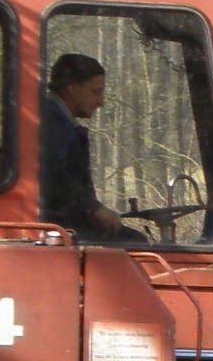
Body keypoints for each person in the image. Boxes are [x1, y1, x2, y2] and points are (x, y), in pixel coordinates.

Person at [39, 53, 138, 241]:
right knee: (135, 242)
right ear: (72, 89)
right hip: (60, 227)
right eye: (95, 92)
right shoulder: (52, 124)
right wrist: (95, 209)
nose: (101, 102)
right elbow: (54, 178)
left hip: (66, 221)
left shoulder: (60, 122)